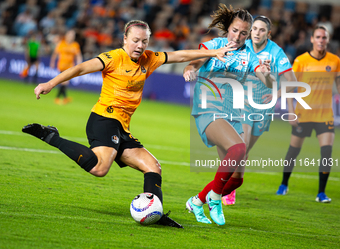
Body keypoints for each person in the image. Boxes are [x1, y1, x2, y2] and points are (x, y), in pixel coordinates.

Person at [22, 19, 232, 228]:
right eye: (135, 40)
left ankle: (155, 213)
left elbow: (180, 55)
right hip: (103, 119)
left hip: (122, 126)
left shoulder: (149, 58)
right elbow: (80, 68)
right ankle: (51, 136)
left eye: (144, 41)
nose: (140, 46)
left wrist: (213, 53)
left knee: (153, 167)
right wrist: (50, 83)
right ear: (124, 39)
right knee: (99, 167)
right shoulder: (113, 58)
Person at [183, 4, 275, 225]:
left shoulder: (250, 55)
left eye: (244, 32)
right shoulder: (215, 45)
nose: (239, 36)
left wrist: (266, 73)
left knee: (235, 180)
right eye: (235, 30)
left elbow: (266, 79)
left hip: (232, 115)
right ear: (228, 28)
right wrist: (190, 68)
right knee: (239, 148)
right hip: (208, 110)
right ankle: (214, 199)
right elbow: (197, 59)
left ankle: (197, 202)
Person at [221, 16, 297, 205]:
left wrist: (276, 94)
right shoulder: (242, 46)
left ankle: (232, 183)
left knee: (245, 152)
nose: (257, 32)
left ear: (268, 33)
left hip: (262, 109)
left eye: (262, 30)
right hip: (241, 104)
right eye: (254, 28)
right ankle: (226, 189)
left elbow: (293, 81)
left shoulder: (276, 52)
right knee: (241, 146)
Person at [276, 25, 340, 203]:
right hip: (303, 113)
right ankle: (284, 183)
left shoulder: (335, 61)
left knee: (326, 153)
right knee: (293, 151)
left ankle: (321, 193)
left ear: (328, 40)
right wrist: (290, 111)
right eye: (318, 37)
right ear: (312, 39)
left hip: (325, 115)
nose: (321, 40)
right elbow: (290, 86)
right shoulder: (301, 61)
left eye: (324, 38)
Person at [50, 29, 82, 105]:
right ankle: (59, 98)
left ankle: (62, 98)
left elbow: (78, 55)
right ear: (67, 35)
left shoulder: (75, 45)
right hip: (62, 65)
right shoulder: (62, 43)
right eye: (70, 35)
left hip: (70, 66)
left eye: (73, 36)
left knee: (64, 83)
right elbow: (55, 53)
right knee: (65, 82)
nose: (71, 37)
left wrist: (79, 64)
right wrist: (52, 62)